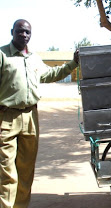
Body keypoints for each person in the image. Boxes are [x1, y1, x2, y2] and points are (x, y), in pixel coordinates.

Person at [0, 19, 79, 208]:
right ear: (12, 32)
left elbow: (51, 74)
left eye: (27, 32)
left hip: (30, 118)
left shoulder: (34, 58)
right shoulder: (2, 55)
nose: (24, 35)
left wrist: (74, 63)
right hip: (6, 117)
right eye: (20, 31)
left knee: (26, 169)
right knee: (7, 171)